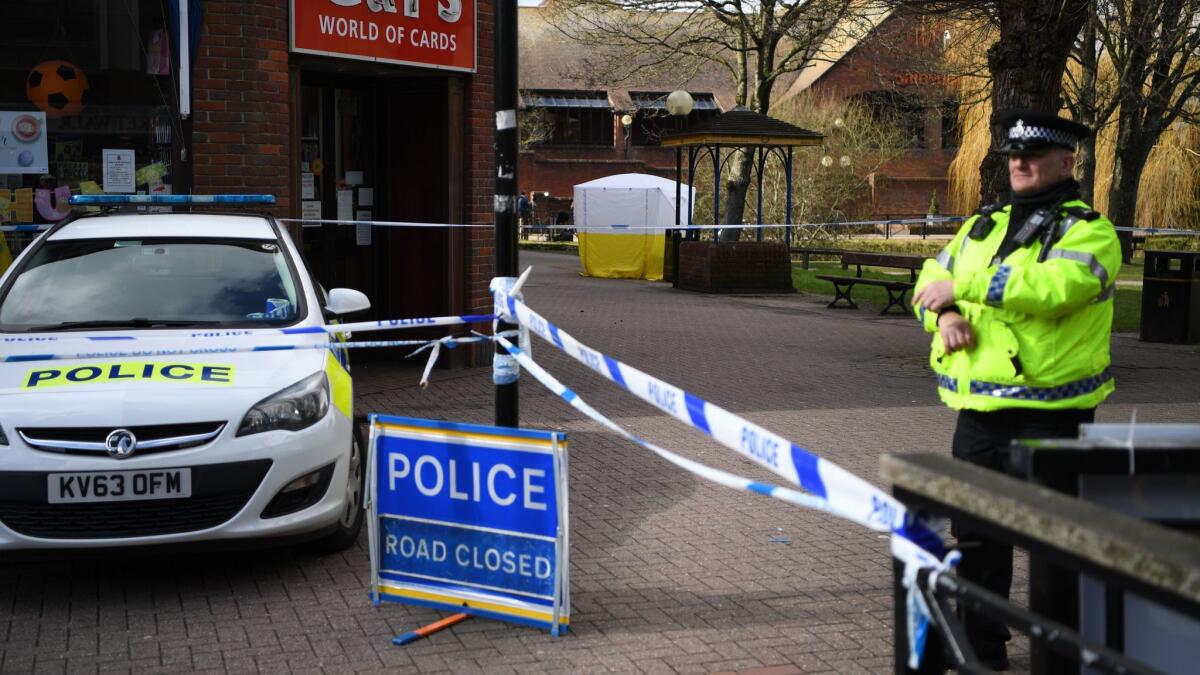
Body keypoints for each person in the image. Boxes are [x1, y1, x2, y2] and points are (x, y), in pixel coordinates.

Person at [912, 109, 1121, 670]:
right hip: (978, 413)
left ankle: (1060, 656)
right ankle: (981, 650)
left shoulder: (1090, 231)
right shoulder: (984, 223)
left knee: (1054, 545)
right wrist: (948, 314)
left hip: (1048, 418)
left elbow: (1055, 289)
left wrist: (966, 284)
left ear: (1066, 162)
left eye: (1032, 155)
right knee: (977, 539)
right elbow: (928, 282)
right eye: (1013, 156)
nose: (1020, 163)